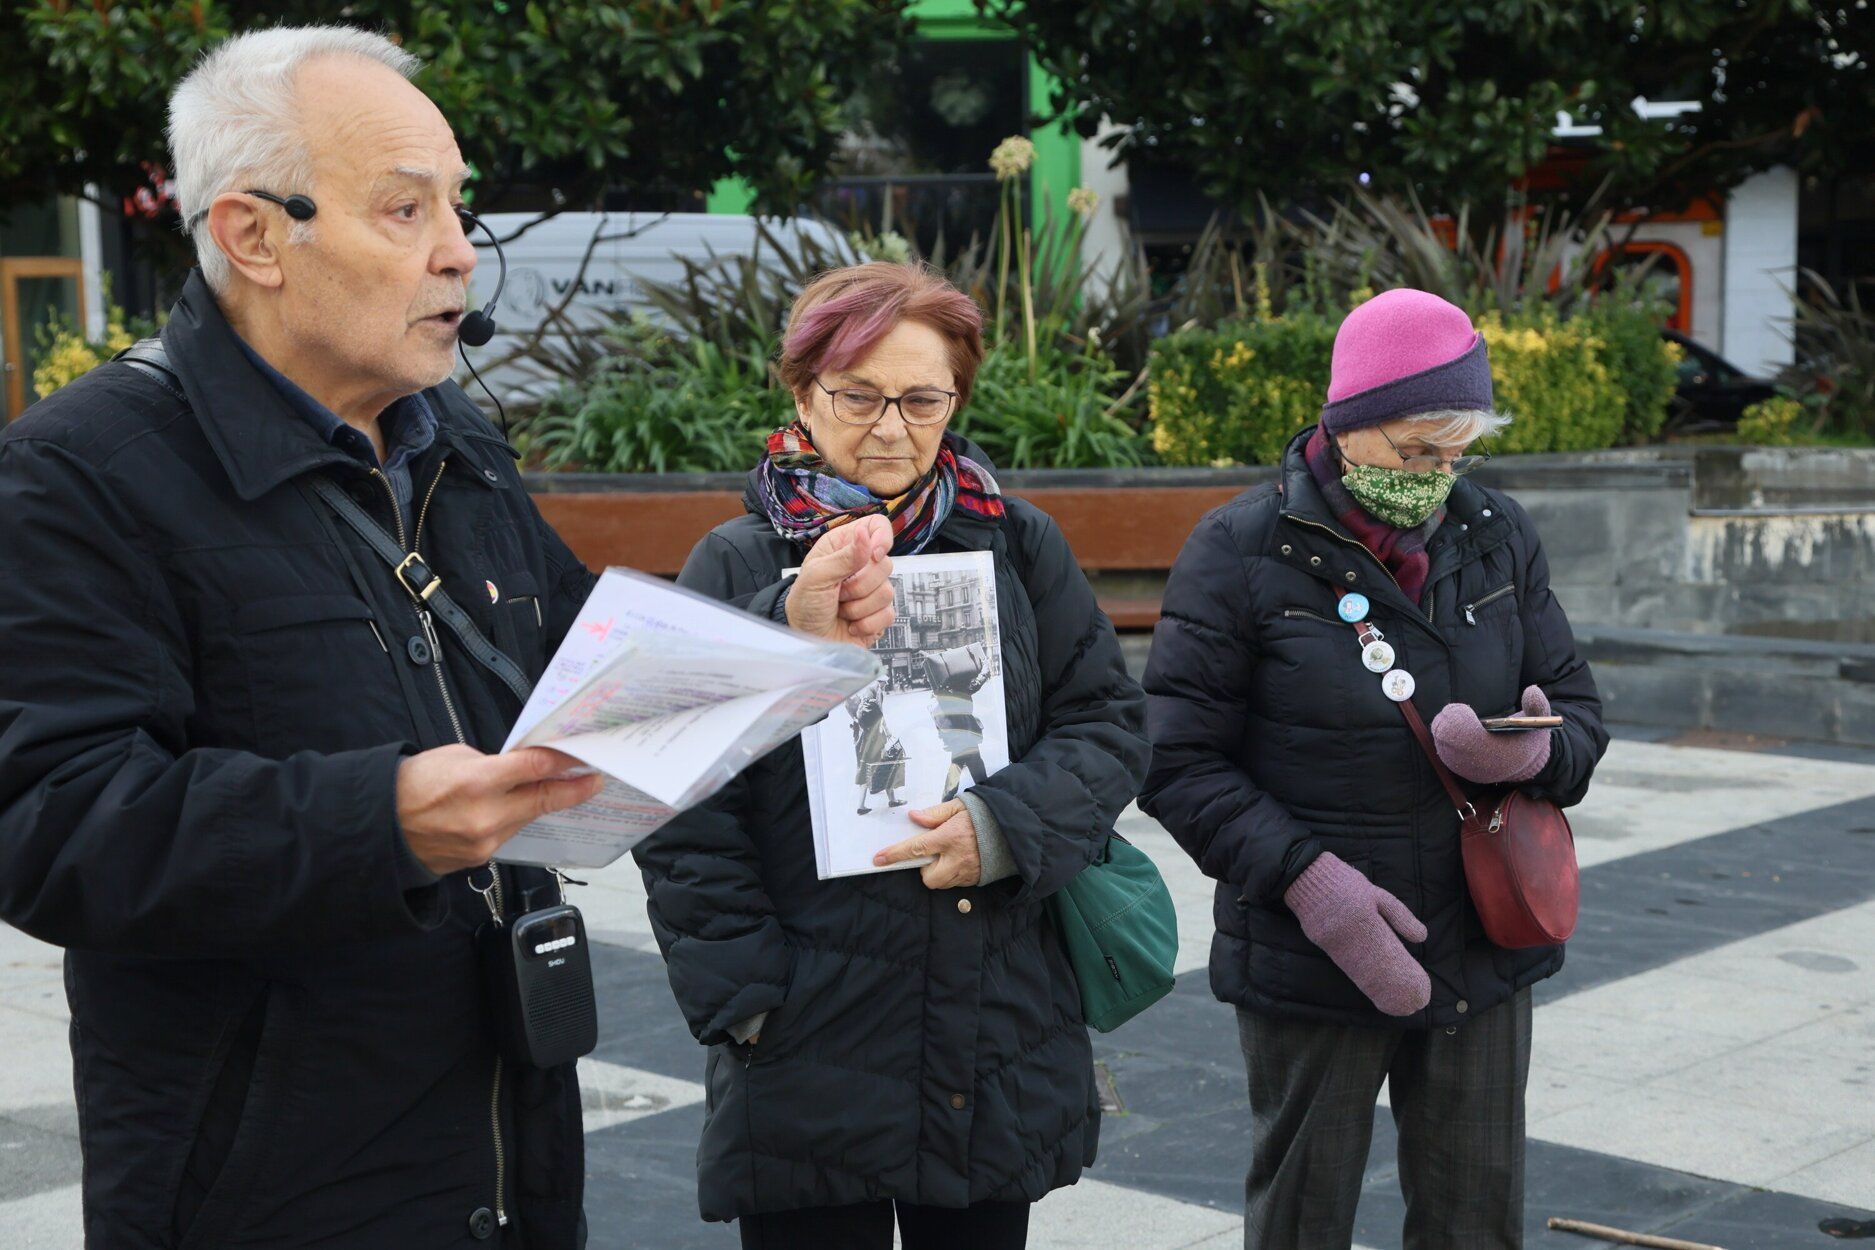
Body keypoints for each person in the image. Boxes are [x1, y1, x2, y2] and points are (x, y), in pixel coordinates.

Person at [0, 27, 883, 1248]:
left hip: (512, 1152)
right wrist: (382, 819)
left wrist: (778, 627)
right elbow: (50, 822)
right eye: (405, 209)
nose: (460, 249)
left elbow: (570, 660)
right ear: (253, 236)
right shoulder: (80, 473)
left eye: (458, 206)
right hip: (267, 1190)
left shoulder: (449, 439)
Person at [634, 262, 1150, 1250]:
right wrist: (745, 998)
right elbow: (680, 793)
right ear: (802, 393)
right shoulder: (740, 561)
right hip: (808, 1025)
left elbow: (1107, 724)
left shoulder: (1015, 543)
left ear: (956, 399)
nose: (889, 427)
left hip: (993, 1013)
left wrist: (1005, 827)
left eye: (922, 399)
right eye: (857, 396)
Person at [1140, 288, 1608, 1250]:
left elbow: (1580, 711)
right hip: (1314, 954)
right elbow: (1177, 760)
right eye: (1416, 451)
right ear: (1348, 423)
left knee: (1474, 1217)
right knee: (1303, 1216)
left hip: (1483, 938)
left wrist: (1534, 750)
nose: (1436, 478)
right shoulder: (1240, 549)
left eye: (1456, 454)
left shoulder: (1495, 532)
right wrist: (1310, 884)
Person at [926, 642, 992, 801]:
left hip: (953, 734)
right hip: (964, 732)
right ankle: (986, 794)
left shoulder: (940, 690)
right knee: (973, 763)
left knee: (959, 762)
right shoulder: (959, 688)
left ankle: (948, 798)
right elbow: (977, 683)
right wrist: (985, 667)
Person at [848, 681, 908, 814]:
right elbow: (881, 724)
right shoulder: (874, 707)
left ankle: (861, 806)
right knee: (887, 768)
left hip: (864, 745)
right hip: (876, 744)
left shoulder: (860, 710)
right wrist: (887, 736)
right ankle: (892, 800)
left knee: (865, 773)